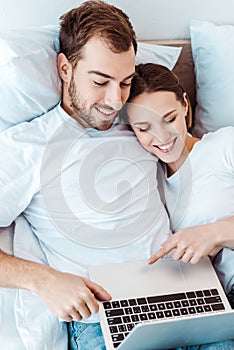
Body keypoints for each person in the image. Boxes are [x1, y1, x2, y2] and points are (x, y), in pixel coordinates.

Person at [0, 2, 171, 349]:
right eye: (100, 81)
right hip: (104, 322)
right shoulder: (26, 147)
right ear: (65, 68)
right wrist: (45, 281)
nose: (114, 100)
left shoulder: (141, 125)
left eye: (125, 82)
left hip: (181, 301)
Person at [125, 62, 234, 349]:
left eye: (169, 118)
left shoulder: (224, 146)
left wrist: (214, 233)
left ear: (185, 104)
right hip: (208, 308)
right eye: (144, 128)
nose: (161, 138)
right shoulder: (149, 180)